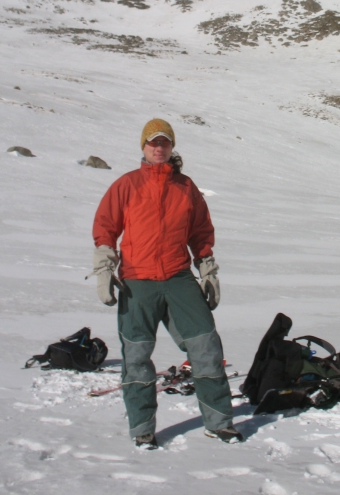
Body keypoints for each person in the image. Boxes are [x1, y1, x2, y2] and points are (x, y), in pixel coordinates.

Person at [90, 118, 243, 448]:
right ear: (143, 147)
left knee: (206, 348)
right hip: (138, 283)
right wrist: (104, 267)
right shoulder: (126, 185)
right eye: (152, 142)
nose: (158, 148)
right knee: (137, 357)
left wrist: (208, 270)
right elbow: (106, 227)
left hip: (178, 278)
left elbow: (200, 234)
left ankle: (219, 423)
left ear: (172, 147)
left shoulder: (186, 187)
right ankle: (143, 429)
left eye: (165, 142)